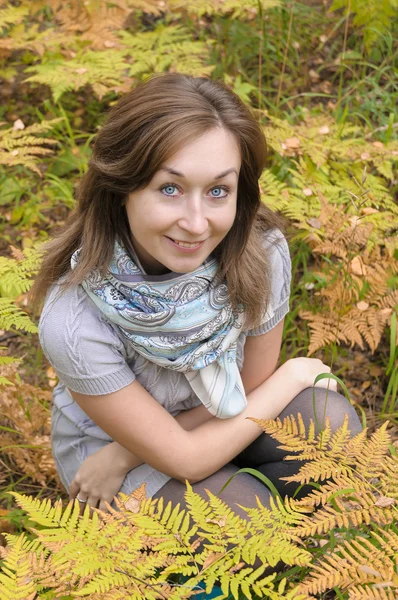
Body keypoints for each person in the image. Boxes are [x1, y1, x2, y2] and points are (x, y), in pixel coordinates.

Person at [31, 73, 362, 523]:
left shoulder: (259, 251)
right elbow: (183, 456)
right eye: (170, 188)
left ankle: (284, 523)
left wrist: (124, 456)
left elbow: (247, 389)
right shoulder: (74, 318)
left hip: (215, 418)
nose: (196, 223)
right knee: (250, 524)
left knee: (329, 424)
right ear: (122, 187)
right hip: (107, 457)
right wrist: (295, 375)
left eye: (218, 191)